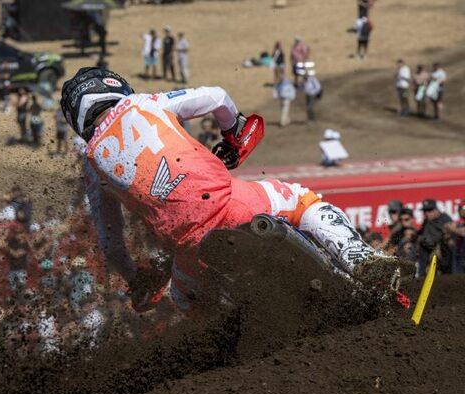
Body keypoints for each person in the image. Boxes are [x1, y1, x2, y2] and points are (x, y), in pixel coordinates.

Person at [59, 67, 411, 312]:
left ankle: (234, 348)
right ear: (113, 86)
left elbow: (111, 244)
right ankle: (361, 260)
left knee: (185, 303)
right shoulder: (142, 103)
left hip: (189, 248)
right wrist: (233, 132)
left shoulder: (91, 164)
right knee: (301, 200)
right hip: (231, 205)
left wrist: (136, 278)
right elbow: (216, 96)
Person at [417, 199, 452, 276]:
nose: (427, 213)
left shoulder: (444, 218)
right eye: (425, 211)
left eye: (429, 210)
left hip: (441, 253)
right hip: (427, 252)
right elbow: (420, 235)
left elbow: (448, 236)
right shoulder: (426, 221)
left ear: (436, 209)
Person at [447, 204, 465, 274]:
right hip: (458, 255)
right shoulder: (459, 222)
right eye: (461, 209)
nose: (462, 211)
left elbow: (462, 232)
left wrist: (453, 229)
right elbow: (447, 227)